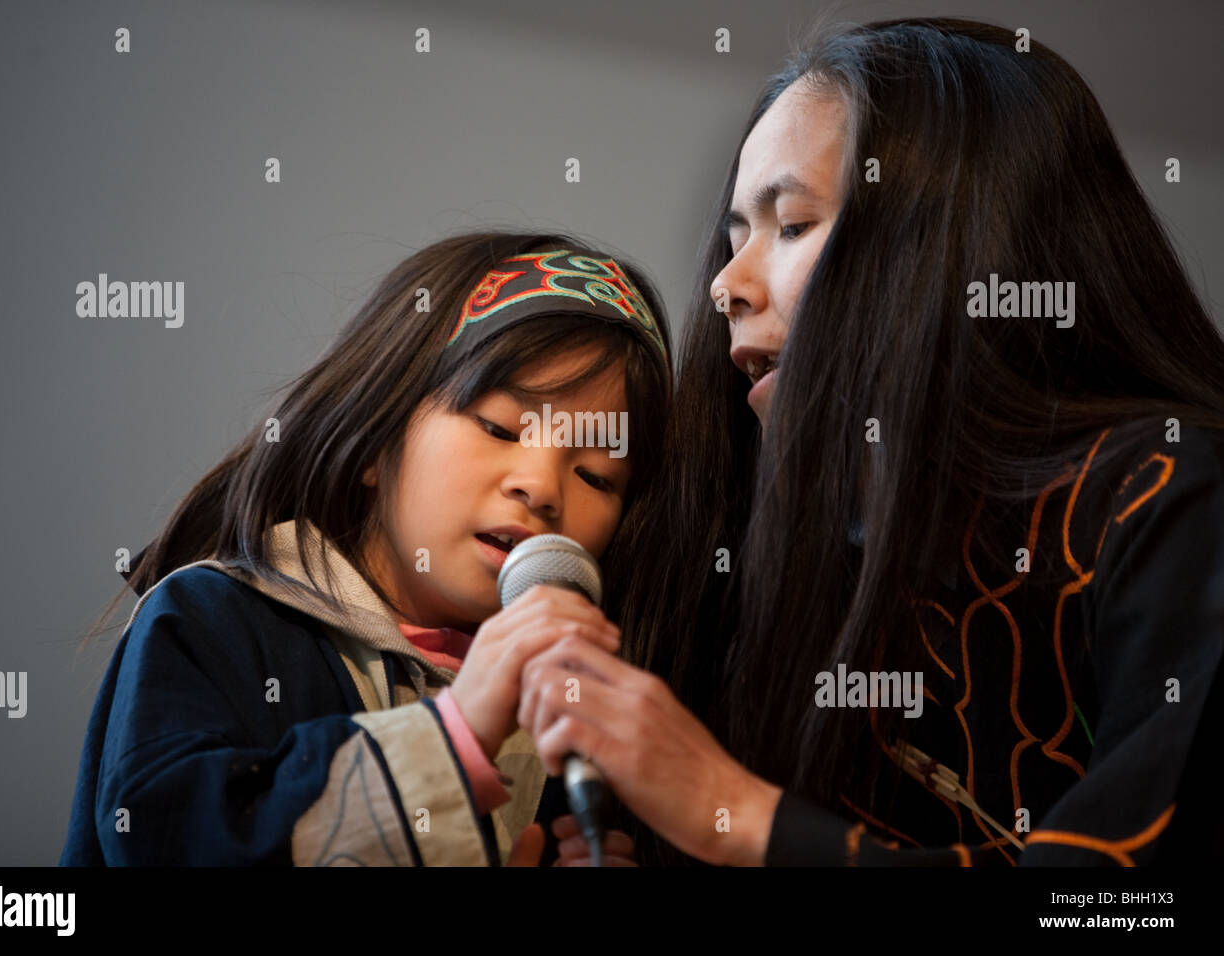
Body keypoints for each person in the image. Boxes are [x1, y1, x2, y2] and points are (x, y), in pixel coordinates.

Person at [516, 18, 1224, 865]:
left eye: (790, 226)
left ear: (956, 241)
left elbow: (1124, 905)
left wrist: (734, 811)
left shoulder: (1170, 497)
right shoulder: (732, 539)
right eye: (736, 233)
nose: (725, 285)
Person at [59, 231, 670, 866]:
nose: (542, 488)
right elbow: (168, 840)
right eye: (499, 427)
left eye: (597, 476)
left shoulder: (566, 726)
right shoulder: (210, 620)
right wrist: (453, 736)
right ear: (376, 440)